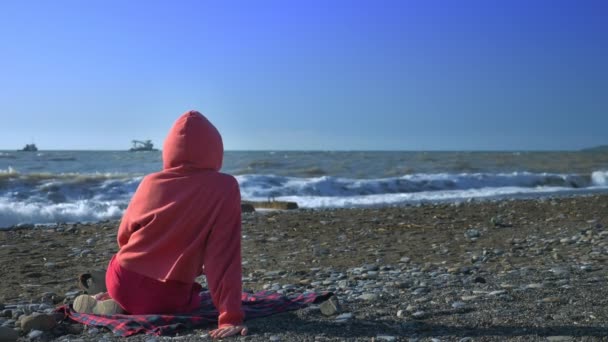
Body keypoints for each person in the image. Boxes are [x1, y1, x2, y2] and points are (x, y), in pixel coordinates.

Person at [73, 110, 247, 339]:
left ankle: (113, 300)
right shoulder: (224, 187)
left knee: (122, 271)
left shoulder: (150, 182)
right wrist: (229, 316)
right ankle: (123, 304)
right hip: (166, 297)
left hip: (122, 279)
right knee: (192, 298)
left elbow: (124, 237)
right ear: (215, 148)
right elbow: (223, 255)